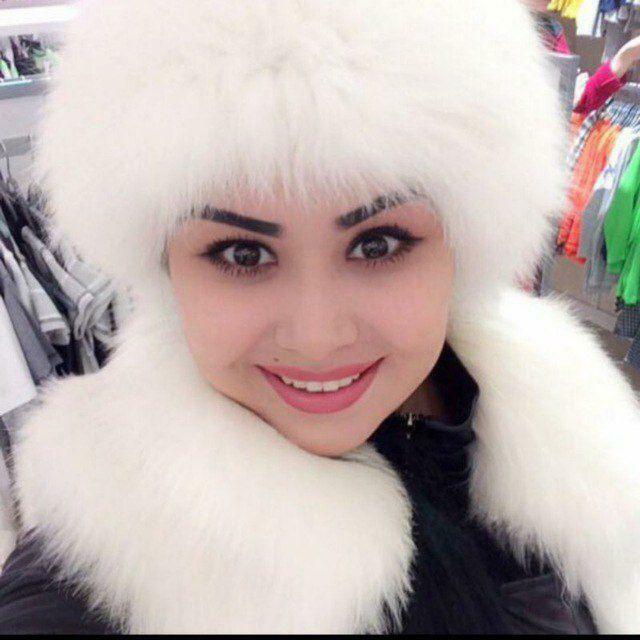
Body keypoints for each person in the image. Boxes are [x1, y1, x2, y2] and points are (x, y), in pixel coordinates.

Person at [0, 0, 639, 634]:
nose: (317, 338)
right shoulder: (96, 567)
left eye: (378, 244)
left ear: (464, 243)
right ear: (163, 266)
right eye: (243, 254)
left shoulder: (578, 428)